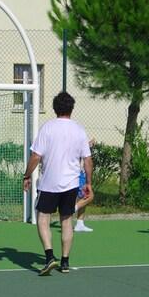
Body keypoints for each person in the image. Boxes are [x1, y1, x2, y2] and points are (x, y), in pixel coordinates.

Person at [22, 92, 92, 275]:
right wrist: (89, 183)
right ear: (72, 108)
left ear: (54, 109)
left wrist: (26, 175)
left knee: (43, 218)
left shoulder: (48, 128)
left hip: (49, 184)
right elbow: (87, 159)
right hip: (71, 184)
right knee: (67, 220)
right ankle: (65, 262)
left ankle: (49, 257)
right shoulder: (79, 130)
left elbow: (36, 156)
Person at [73, 139, 96, 232]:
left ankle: (80, 223)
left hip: (82, 174)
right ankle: (72, 209)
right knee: (89, 196)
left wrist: (88, 145)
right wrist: (87, 145)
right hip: (77, 174)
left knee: (83, 196)